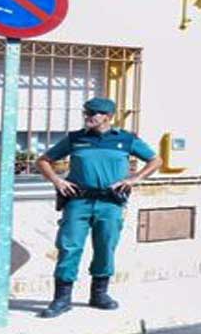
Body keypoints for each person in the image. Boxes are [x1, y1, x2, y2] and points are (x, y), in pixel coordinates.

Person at [35, 97, 162, 318]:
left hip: (110, 203)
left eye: (93, 113)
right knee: (69, 247)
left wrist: (134, 179)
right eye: (86, 113)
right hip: (78, 201)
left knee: (105, 247)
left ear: (108, 117)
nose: (88, 117)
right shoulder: (76, 139)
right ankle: (62, 299)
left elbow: (155, 160)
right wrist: (58, 181)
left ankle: (99, 294)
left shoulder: (125, 139)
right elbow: (43, 160)